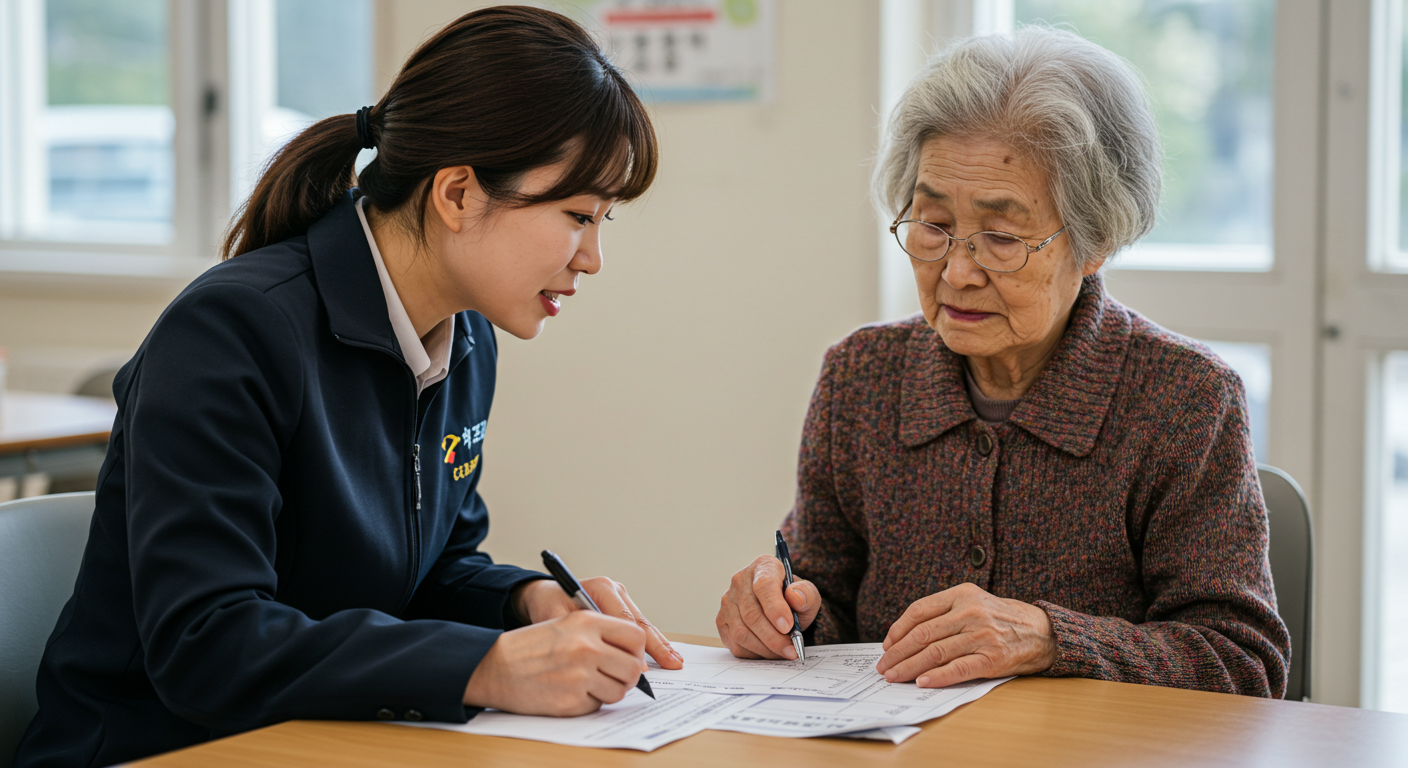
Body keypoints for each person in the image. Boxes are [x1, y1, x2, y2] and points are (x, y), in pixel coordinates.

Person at [15, 7, 682, 767]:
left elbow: (429, 571)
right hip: (162, 750)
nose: (591, 257)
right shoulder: (230, 331)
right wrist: (484, 667)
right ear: (458, 194)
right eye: (577, 216)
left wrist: (522, 602)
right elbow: (207, 643)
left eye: (603, 222)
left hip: (326, 742)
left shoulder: (466, 338)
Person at [715, 27, 1291, 698]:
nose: (957, 272)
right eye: (932, 223)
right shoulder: (861, 377)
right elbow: (825, 598)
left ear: (1096, 237)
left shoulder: (1184, 397)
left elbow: (1245, 662)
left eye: (1001, 236)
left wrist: (1050, 639)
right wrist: (781, 613)